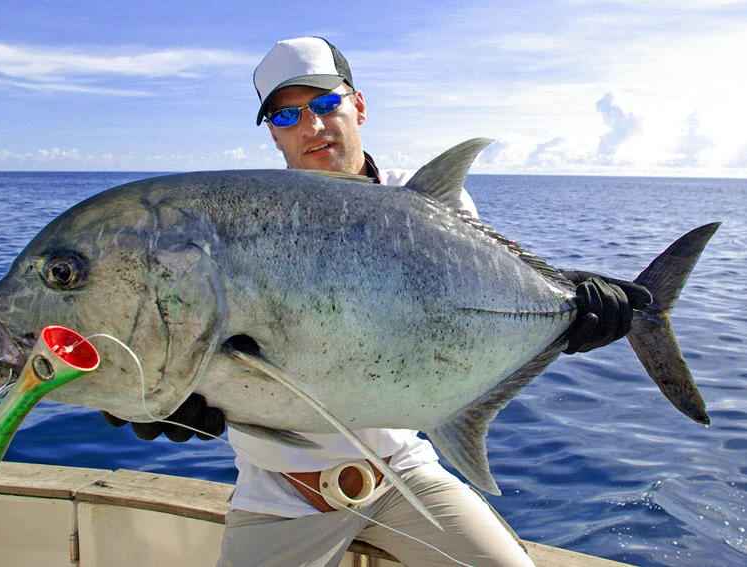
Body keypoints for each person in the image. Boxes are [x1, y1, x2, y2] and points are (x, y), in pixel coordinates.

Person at [105, 37, 651, 567]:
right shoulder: (249, 222)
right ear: (273, 135)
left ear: (357, 105)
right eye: (286, 116)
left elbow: (488, 300)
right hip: (279, 497)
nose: (312, 127)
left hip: (406, 475)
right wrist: (149, 386)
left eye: (324, 103)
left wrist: (574, 305)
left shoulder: (427, 203)